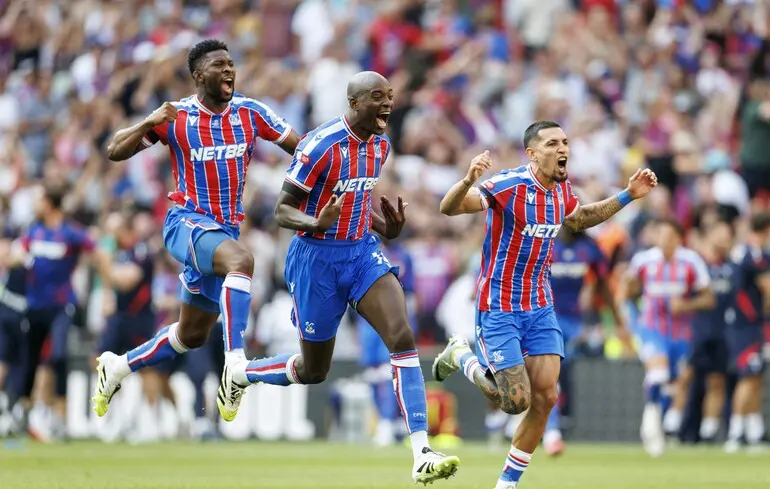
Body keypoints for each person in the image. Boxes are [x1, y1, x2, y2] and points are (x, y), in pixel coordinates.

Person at [240, 71, 460, 485]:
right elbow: (282, 210)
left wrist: (385, 227)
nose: (388, 103)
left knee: (402, 336)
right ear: (355, 103)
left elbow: (355, 201)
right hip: (315, 259)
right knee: (314, 370)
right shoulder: (319, 145)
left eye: (390, 96)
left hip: (360, 252)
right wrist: (315, 222)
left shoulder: (380, 145)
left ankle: (421, 452)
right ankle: (244, 374)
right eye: (378, 96)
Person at [431, 120, 657, 489]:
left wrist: (628, 195)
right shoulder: (509, 185)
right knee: (515, 401)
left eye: (565, 142)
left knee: (547, 396)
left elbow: (580, 218)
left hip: (539, 306)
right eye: (552, 143)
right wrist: (468, 179)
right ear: (532, 154)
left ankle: (507, 484)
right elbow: (449, 207)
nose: (562, 148)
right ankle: (461, 356)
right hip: (499, 305)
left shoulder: (561, 189)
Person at [91, 39, 301, 423]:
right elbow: (114, 150)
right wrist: (148, 121)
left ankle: (118, 366)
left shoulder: (251, 113)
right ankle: (236, 364)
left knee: (191, 335)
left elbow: (302, 151)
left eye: (231, 63)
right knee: (242, 261)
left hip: (222, 235)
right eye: (219, 65)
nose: (229, 70)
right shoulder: (177, 117)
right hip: (186, 223)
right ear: (199, 75)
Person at [16, 183, 105, 441]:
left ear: (49, 203)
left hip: (61, 304)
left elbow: (97, 250)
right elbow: (18, 253)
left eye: (39, 200)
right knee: (31, 359)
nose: (35, 204)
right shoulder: (34, 231)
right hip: (35, 305)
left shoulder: (70, 233)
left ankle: (60, 417)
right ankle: (24, 414)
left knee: (59, 356)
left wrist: (106, 283)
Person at [619, 218, 714, 457]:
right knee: (658, 373)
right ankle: (650, 426)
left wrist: (686, 305)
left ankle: (659, 423)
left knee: (675, 382)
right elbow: (627, 292)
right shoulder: (643, 261)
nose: (665, 241)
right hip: (651, 327)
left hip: (681, 331)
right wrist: (630, 321)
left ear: (678, 238)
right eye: (661, 235)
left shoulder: (691, 261)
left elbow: (709, 298)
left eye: (670, 236)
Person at [540, 225, 630, 455]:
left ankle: (557, 422)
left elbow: (603, 283)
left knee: (562, 371)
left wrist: (617, 319)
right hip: (545, 317)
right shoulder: (546, 241)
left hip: (577, 322)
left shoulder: (589, 247)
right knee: (550, 371)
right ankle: (552, 430)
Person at [354, 239, 415, 446]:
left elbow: (410, 291)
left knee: (388, 370)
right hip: (366, 317)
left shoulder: (403, 255)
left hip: (390, 316)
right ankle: (382, 419)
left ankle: (389, 422)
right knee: (371, 373)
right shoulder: (362, 250)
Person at [681, 219, 733, 443]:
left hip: (722, 332)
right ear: (709, 236)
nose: (725, 240)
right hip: (695, 330)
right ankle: (674, 425)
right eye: (721, 235)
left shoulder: (731, 266)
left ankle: (708, 432)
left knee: (717, 381)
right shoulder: (695, 264)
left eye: (728, 236)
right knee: (685, 377)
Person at [723, 212, 770, 453]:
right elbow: (745, 291)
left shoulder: (758, 254)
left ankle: (754, 431)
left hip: (755, 325)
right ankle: (736, 432)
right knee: (748, 377)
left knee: (756, 377)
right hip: (744, 326)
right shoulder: (747, 255)